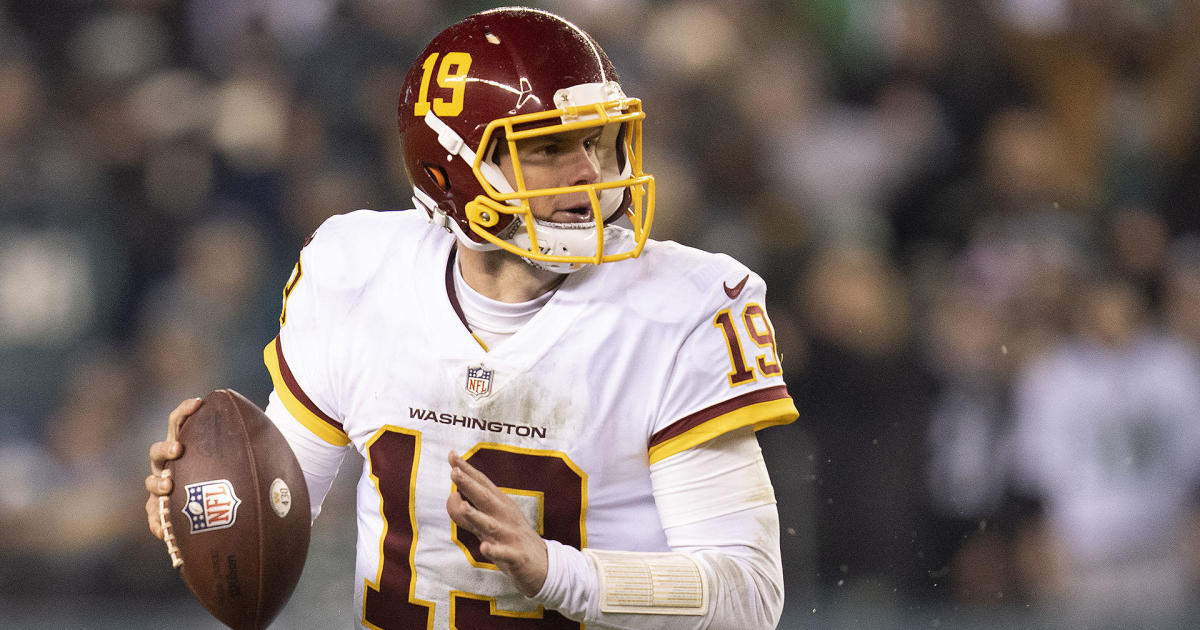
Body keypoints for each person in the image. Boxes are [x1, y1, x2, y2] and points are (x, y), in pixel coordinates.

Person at [145, 7, 798, 629]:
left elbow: (748, 593)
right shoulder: (358, 269)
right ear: (453, 171)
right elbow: (280, 509)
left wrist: (559, 573)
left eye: (599, 142)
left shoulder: (681, 308)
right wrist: (207, 500)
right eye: (549, 149)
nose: (590, 172)